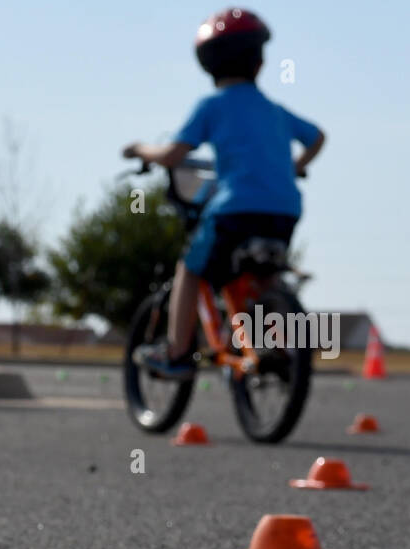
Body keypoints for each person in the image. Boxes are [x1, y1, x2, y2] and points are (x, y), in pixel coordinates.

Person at [122, 7, 325, 379]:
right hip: (285, 209)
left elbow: (173, 155)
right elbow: (318, 137)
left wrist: (139, 149)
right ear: (260, 62)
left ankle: (177, 353)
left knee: (189, 269)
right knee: (263, 276)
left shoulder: (212, 106)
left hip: (235, 209)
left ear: (207, 63)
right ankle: (278, 345)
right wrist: (293, 166)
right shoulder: (274, 110)